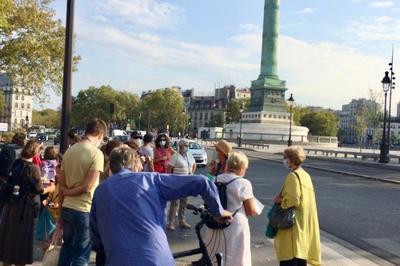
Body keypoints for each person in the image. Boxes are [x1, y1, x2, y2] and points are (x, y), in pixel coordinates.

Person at [90, 146, 232, 266]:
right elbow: (202, 182)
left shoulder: (101, 190)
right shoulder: (151, 180)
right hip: (155, 258)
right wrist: (218, 212)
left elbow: (96, 237)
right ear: (135, 163)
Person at [58, 118, 107, 266]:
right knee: (81, 254)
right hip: (84, 208)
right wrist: (68, 192)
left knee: (66, 249)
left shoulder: (69, 152)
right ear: (100, 135)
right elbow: (88, 186)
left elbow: (61, 186)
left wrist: (61, 207)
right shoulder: (96, 154)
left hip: (67, 207)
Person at [0, 140, 54, 266]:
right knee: (22, 241)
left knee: (9, 238)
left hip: (11, 205)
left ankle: (7, 262)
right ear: (35, 152)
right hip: (24, 209)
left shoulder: (16, 163)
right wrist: (50, 188)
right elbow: (39, 189)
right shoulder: (33, 168)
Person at [204, 151, 258, 266]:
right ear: (242, 167)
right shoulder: (244, 183)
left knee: (215, 255)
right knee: (237, 257)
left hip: (217, 221)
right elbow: (251, 211)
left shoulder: (216, 179)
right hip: (235, 225)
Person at [274, 146, 321, 266]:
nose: (284, 160)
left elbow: (293, 200)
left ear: (292, 160)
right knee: (301, 259)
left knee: (289, 259)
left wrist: (280, 201)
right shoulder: (305, 175)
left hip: (292, 228)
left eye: (286, 158)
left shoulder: (293, 176)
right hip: (303, 226)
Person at [166, 139, 196, 230]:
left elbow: (194, 164)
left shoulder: (189, 155)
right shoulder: (175, 156)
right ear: (180, 146)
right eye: (184, 145)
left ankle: (182, 220)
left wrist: (192, 173)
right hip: (176, 182)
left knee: (184, 202)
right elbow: (169, 168)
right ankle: (171, 223)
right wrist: (171, 180)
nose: (186, 147)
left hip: (187, 182)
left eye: (187, 145)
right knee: (174, 203)